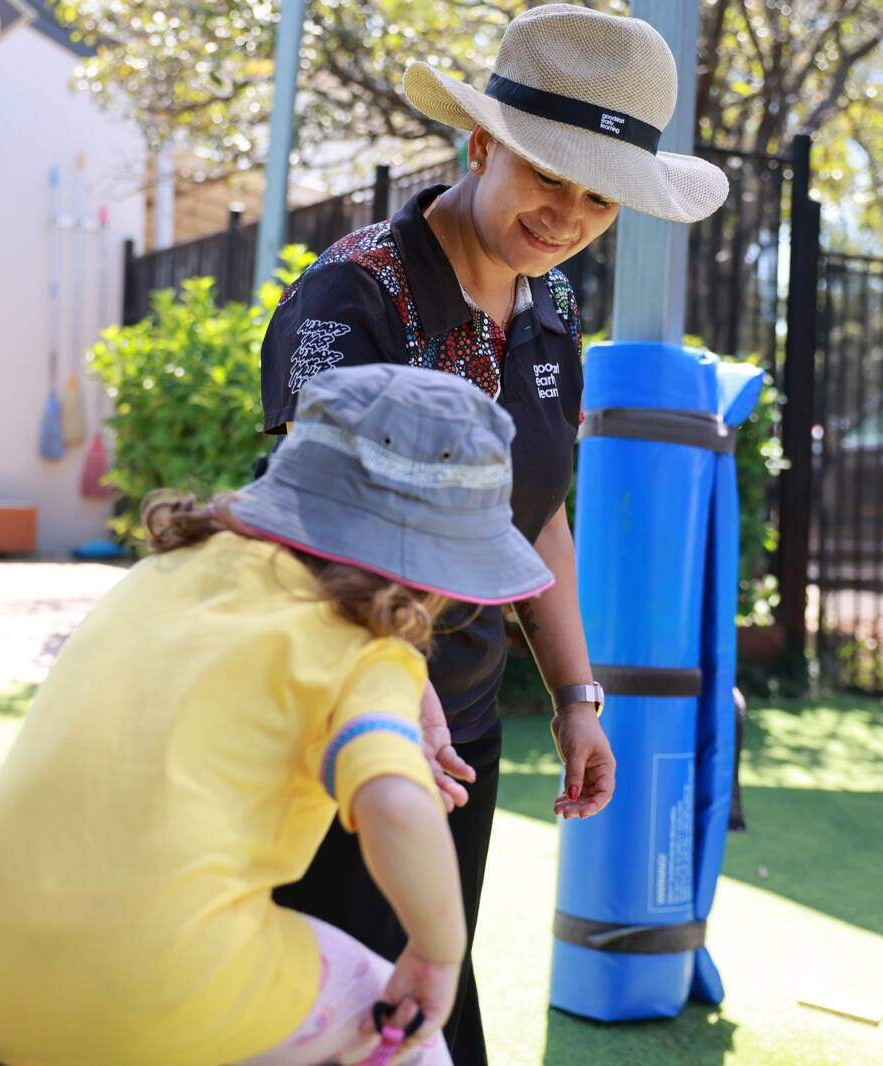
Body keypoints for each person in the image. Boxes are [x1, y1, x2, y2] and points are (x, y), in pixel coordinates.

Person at [259, 6, 728, 1062]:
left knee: (426, 996)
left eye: (599, 195)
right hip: (334, 723)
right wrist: (389, 680)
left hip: (461, 728)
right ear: (482, 144)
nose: (566, 213)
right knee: (320, 1009)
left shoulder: (550, 307)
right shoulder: (354, 293)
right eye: (547, 175)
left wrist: (575, 697)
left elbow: (538, 514)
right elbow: (302, 526)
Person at [0, 364, 555, 1066]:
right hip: (160, 986)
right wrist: (436, 958)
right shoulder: (366, 655)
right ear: (429, 577)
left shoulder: (162, 576)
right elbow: (399, 807)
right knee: (397, 1018)